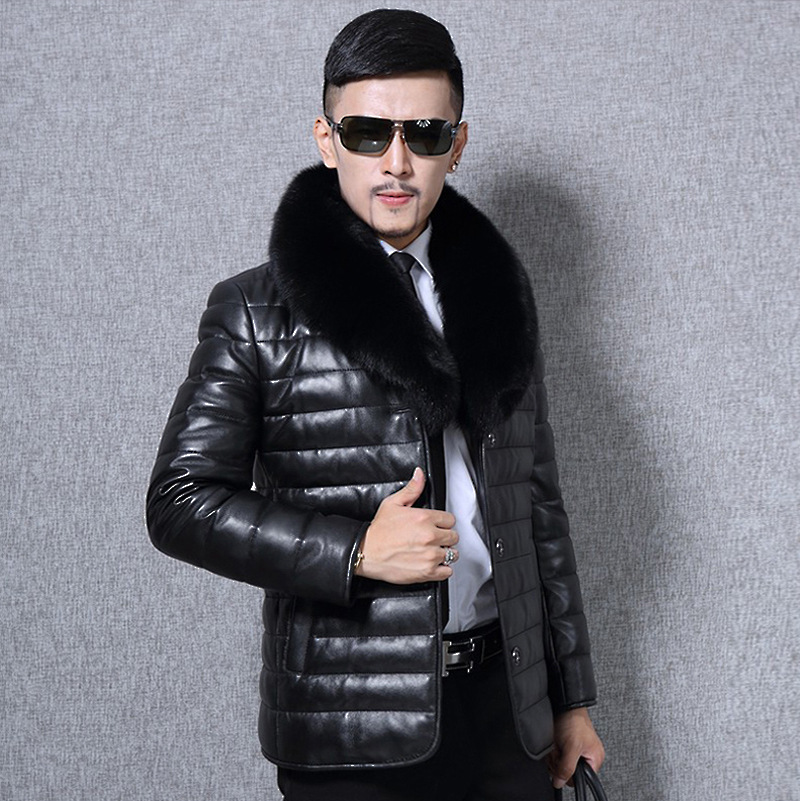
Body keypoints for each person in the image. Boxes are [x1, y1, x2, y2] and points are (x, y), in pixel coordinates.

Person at [147, 9, 604, 801]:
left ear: (457, 145)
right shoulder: (254, 311)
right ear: (327, 141)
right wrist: (356, 550)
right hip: (350, 728)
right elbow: (179, 501)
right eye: (367, 133)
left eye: (425, 134)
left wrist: (571, 699)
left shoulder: (497, 294)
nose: (397, 162)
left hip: (507, 712)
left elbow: (537, 505)